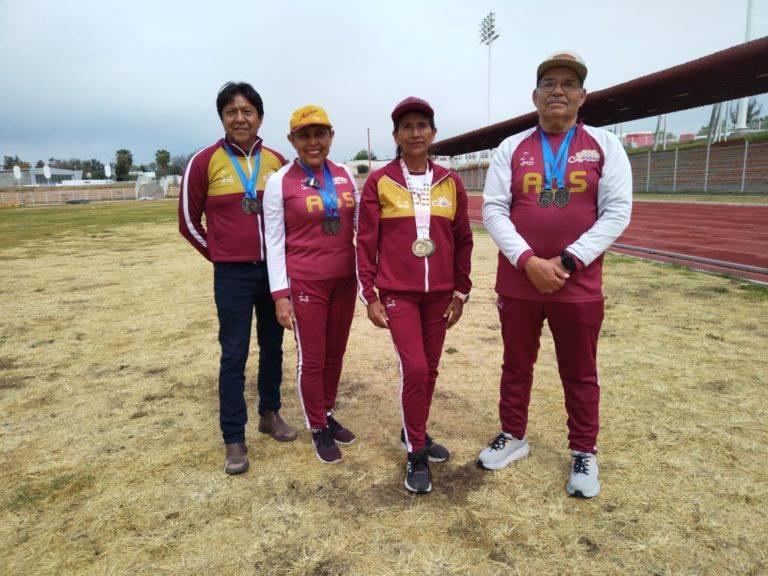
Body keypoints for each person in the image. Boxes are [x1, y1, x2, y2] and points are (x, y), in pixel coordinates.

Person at [477, 51, 632, 498]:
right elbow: (493, 209)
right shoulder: (511, 147)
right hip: (519, 281)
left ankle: (584, 450)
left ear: (583, 96)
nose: (558, 90)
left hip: (577, 283)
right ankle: (513, 434)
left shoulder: (605, 144)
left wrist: (566, 262)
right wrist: (528, 260)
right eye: (548, 83)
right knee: (515, 364)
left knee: (580, 371)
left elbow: (617, 211)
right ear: (535, 96)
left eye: (568, 83)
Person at [178, 81, 297, 476]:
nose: (240, 118)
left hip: (273, 273)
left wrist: (285, 266)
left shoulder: (278, 162)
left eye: (247, 111)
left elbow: (292, 217)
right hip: (231, 275)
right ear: (222, 118)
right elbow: (188, 222)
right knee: (233, 353)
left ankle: (269, 413)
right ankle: (234, 436)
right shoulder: (204, 161)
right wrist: (220, 255)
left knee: (273, 346)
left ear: (260, 117)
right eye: (232, 112)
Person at [356, 97, 473, 494]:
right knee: (416, 369)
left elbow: (463, 239)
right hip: (398, 293)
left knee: (431, 369)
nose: (415, 133)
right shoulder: (380, 182)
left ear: (433, 133)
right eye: (407, 127)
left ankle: (414, 431)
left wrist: (461, 291)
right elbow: (365, 241)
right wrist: (370, 294)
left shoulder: (450, 182)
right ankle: (416, 454)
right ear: (396, 136)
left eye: (422, 125)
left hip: (439, 293)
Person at [263, 105, 359, 465]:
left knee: (335, 353)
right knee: (313, 358)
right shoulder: (280, 181)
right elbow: (274, 242)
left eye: (320, 134)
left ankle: (327, 412)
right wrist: (280, 295)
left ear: (331, 136)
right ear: (292, 140)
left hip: (345, 280)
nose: (313, 142)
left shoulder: (345, 174)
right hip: (306, 282)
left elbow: (360, 226)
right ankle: (317, 424)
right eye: (304, 135)